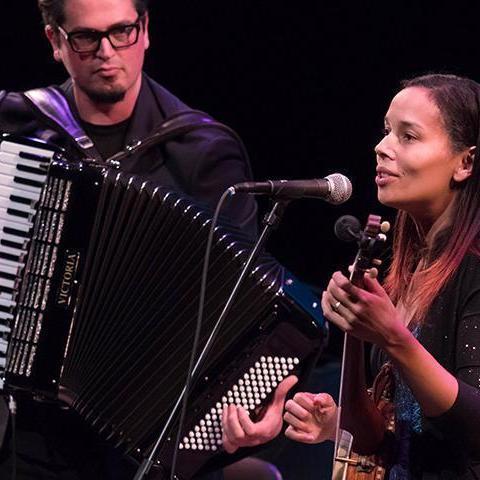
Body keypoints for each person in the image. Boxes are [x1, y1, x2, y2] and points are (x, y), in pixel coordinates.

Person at [0, 0, 264, 478]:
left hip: (147, 431)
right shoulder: (20, 128)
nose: (107, 51)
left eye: (122, 31)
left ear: (145, 31)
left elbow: (241, 309)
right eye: (86, 37)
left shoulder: (203, 153)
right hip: (28, 429)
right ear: (55, 42)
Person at [222, 74, 480, 479]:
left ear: (465, 163)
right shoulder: (406, 269)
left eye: (408, 136)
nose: (382, 147)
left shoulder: (474, 267)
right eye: (386, 131)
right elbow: (372, 440)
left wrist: (392, 336)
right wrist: (355, 337)